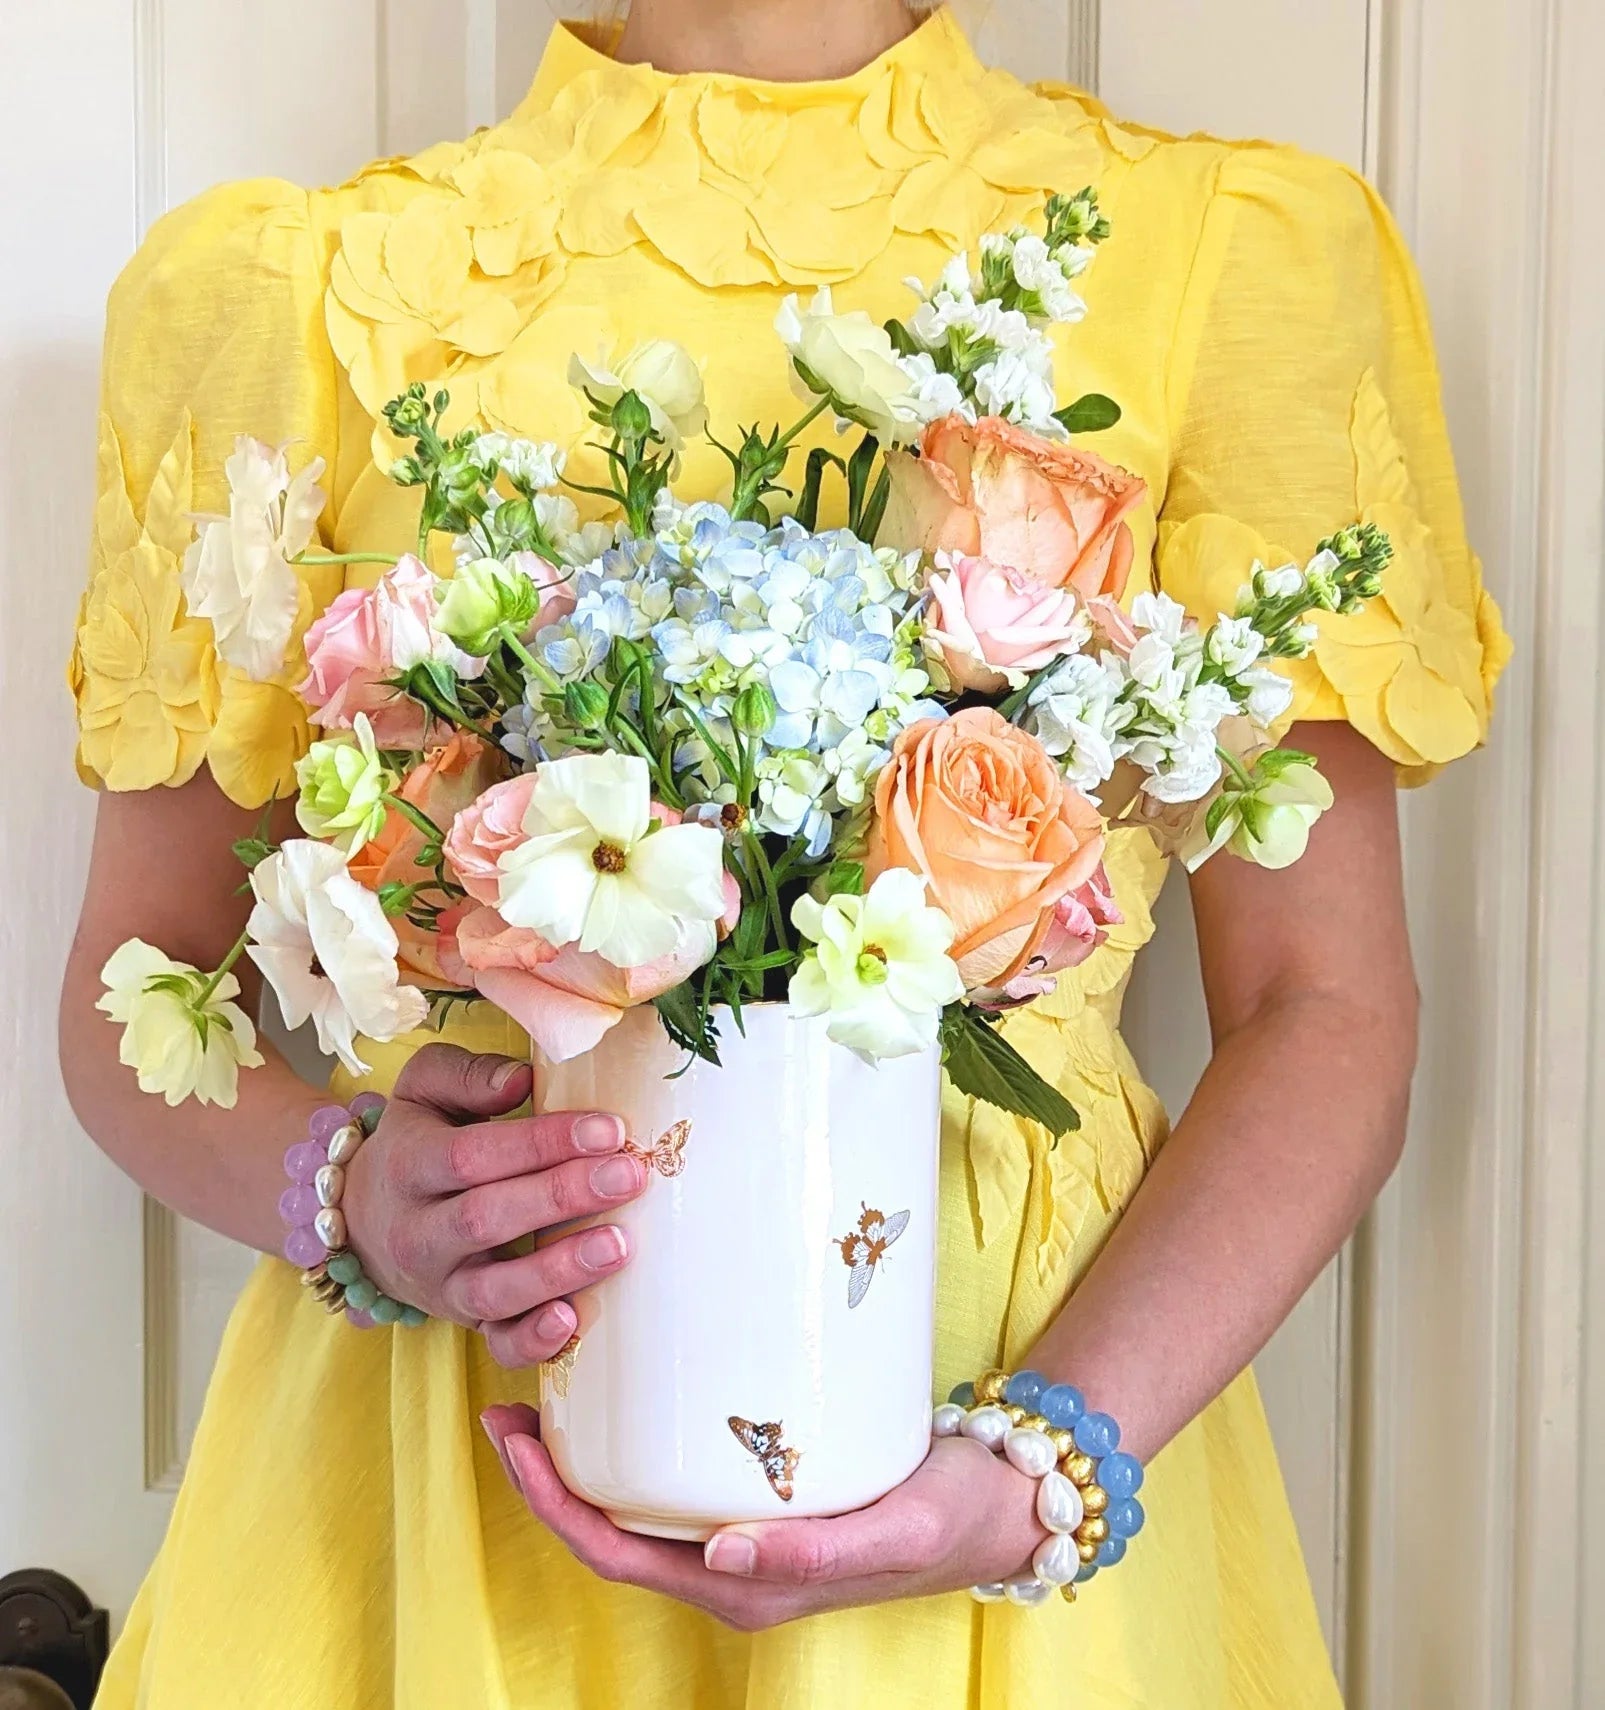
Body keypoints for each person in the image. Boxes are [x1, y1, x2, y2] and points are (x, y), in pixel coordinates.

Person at [59, 1, 1509, 1704]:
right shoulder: (282, 288)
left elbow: (1323, 1005)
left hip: (1006, 1436)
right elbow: (135, 986)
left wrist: (1043, 1465)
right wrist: (352, 1193)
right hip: (439, 1472)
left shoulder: (1230, 254)